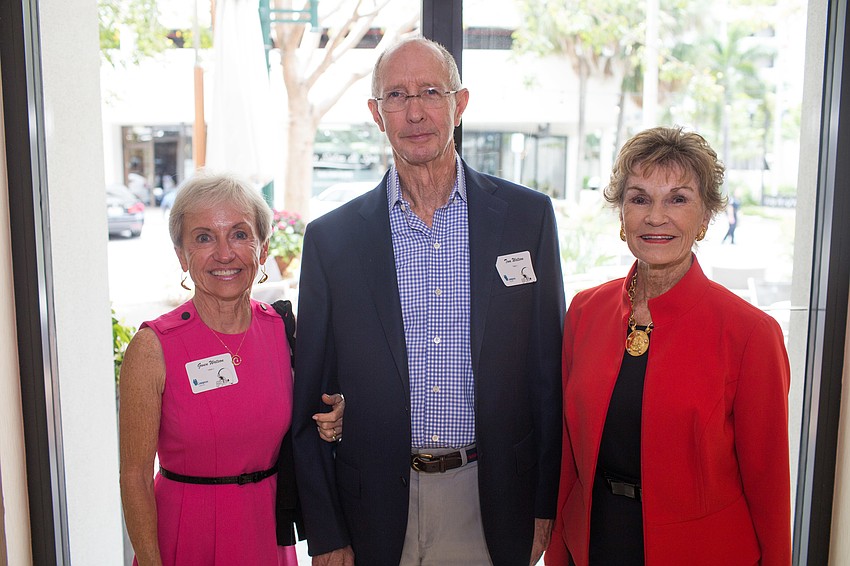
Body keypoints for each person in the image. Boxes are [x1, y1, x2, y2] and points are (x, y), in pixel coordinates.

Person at [292, 37, 566, 566]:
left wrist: (543, 504)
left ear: (459, 104)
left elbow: (545, 375)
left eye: (430, 92)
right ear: (376, 114)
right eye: (396, 95)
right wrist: (325, 531)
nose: (415, 111)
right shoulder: (333, 240)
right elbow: (313, 398)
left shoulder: (526, 219)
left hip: (490, 499)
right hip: (371, 504)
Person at [546, 127, 791, 565]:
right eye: (639, 198)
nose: (656, 217)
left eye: (677, 199)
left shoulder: (751, 334)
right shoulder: (585, 312)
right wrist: (558, 549)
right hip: (595, 541)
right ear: (622, 215)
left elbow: (769, 490)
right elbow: (568, 453)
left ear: (705, 218)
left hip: (703, 552)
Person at [119, 172, 342, 565]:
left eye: (239, 234)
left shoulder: (286, 334)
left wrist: (335, 416)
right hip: (185, 535)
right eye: (204, 237)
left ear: (263, 248)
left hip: (267, 532)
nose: (224, 253)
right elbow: (135, 478)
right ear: (181, 254)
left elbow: (311, 420)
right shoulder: (154, 347)